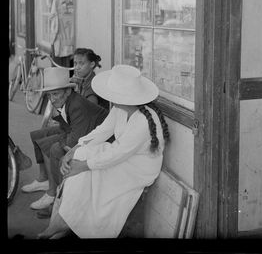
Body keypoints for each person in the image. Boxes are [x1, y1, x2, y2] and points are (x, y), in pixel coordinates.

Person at [37, 64, 170, 239]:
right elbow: (102, 131)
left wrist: (83, 166)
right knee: (82, 154)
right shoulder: (120, 109)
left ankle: (70, 222)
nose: (111, 97)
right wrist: (74, 150)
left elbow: (118, 154)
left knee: (90, 169)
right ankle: (65, 218)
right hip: (122, 156)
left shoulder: (144, 122)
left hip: (138, 168)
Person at [21, 67, 108, 211]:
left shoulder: (77, 105)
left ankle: (52, 192)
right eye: (49, 95)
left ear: (67, 91)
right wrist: (58, 113)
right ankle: (44, 179)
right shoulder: (66, 101)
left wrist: (61, 139)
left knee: (52, 147)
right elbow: (65, 127)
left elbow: (71, 143)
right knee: (37, 135)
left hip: (98, 140)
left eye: (55, 94)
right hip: (77, 130)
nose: (52, 98)